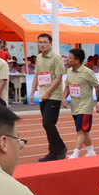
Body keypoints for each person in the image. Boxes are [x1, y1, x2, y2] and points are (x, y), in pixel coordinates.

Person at [31, 33, 67, 162]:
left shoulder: (56, 58)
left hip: (54, 96)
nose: (42, 45)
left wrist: (48, 92)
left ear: (50, 43)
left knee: (48, 123)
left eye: (45, 42)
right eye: (40, 42)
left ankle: (61, 148)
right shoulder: (39, 57)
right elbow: (36, 75)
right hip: (42, 96)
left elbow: (58, 78)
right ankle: (53, 152)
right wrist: (32, 93)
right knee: (47, 125)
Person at [63, 48, 99, 158]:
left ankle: (76, 153)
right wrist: (64, 98)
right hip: (75, 106)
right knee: (85, 130)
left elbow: (97, 87)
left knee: (81, 130)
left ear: (77, 60)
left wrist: (98, 101)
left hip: (85, 107)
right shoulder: (69, 71)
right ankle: (91, 151)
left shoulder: (88, 72)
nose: (67, 60)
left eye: (69, 58)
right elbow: (68, 86)